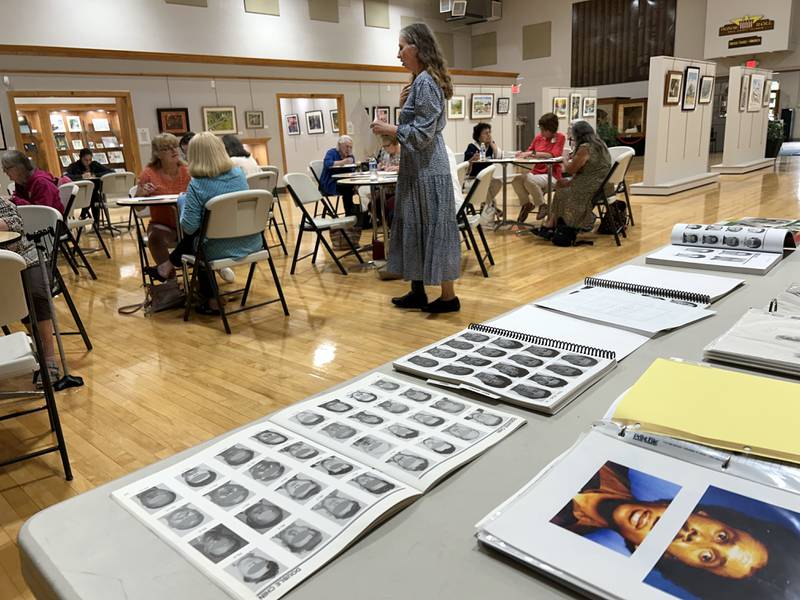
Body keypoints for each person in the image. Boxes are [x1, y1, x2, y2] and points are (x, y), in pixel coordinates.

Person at [370, 23, 461, 313]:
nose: (398, 55)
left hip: (427, 171)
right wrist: (402, 105)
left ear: (417, 47)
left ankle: (448, 298)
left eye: (401, 47)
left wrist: (390, 127)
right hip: (418, 170)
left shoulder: (426, 82)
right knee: (414, 227)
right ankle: (417, 290)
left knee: (433, 229)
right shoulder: (420, 80)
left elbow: (422, 134)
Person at [148, 133, 261, 314]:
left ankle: (212, 301)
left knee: (199, 242)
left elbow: (188, 227)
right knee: (202, 235)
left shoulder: (198, 184)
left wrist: (183, 204)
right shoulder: (239, 175)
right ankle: (168, 267)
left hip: (216, 249)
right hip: (252, 242)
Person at [0, 198, 60, 381]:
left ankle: (48, 356)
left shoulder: (2, 202)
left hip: (25, 257)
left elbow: (15, 223)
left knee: (33, 292)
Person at [537, 120, 612, 237]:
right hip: (603, 183)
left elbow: (571, 170)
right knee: (561, 185)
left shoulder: (585, 148)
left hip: (592, 186)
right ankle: (552, 222)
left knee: (560, 191)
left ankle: (553, 223)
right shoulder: (600, 143)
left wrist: (564, 159)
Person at [135, 133, 191, 265]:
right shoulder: (148, 173)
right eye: (166, 148)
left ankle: (210, 269)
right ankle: (169, 278)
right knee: (155, 239)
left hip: (187, 223)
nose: (173, 151)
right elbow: (138, 208)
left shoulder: (188, 170)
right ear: (157, 154)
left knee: (205, 232)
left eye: (175, 147)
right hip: (162, 224)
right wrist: (141, 194)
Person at [513, 112, 566, 223]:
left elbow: (553, 154)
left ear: (551, 129)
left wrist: (533, 153)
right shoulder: (538, 138)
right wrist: (522, 154)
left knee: (529, 179)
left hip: (552, 174)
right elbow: (529, 151)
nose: (541, 133)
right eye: (541, 129)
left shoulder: (560, 137)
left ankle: (542, 205)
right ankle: (526, 204)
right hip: (537, 172)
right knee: (516, 180)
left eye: (543, 130)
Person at [463, 122, 502, 204]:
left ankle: (486, 206)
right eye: (486, 133)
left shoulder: (490, 146)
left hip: (487, 178)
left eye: (489, 132)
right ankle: (489, 206)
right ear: (478, 136)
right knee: (489, 185)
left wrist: (492, 143)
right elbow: (466, 168)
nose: (489, 135)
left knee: (497, 183)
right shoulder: (472, 147)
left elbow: (499, 156)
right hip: (473, 179)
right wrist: (472, 159)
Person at [319, 135, 358, 217]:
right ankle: (350, 214)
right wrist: (343, 162)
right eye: (347, 147)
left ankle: (360, 213)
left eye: (351, 147)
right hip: (329, 183)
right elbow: (327, 164)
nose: (349, 149)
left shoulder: (350, 156)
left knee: (359, 187)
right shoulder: (332, 153)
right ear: (339, 145)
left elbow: (352, 170)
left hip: (344, 182)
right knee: (347, 188)